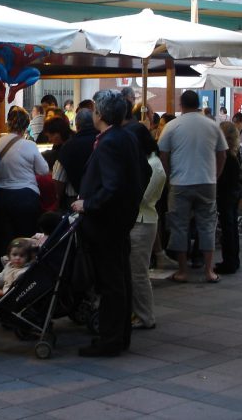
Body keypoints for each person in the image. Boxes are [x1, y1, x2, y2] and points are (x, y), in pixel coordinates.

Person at [71, 90, 144, 357]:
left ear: (99, 114)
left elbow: (112, 186)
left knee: (111, 282)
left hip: (106, 223)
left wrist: (87, 204)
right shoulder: (126, 136)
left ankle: (110, 339)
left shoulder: (110, 141)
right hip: (120, 221)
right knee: (120, 278)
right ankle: (119, 335)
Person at [160, 90, 227, 284]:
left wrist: (169, 176)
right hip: (207, 182)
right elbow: (222, 153)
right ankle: (209, 271)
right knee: (207, 226)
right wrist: (215, 175)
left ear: (181, 105)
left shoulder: (172, 126)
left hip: (179, 182)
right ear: (198, 104)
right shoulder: (212, 125)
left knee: (179, 226)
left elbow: (163, 154)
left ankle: (182, 271)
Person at [0, 108, 47, 273]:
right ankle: (26, 274)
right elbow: (43, 170)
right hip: (26, 197)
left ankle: (3, 275)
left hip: (0, 197)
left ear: (8, 123)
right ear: (27, 125)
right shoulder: (30, 145)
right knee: (26, 238)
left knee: (3, 240)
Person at [129, 127, 166, 330]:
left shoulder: (153, 165)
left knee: (138, 273)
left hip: (142, 221)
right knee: (136, 272)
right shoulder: (148, 161)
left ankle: (145, 316)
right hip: (141, 220)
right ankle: (139, 313)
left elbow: (142, 197)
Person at [51, 109, 99, 209]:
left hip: (75, 200)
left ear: (77, 126)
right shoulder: (102, 140)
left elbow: (58, 180)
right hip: (101, 197)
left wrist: (57, 201)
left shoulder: (69, 146)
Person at [216, 122, 242, 275]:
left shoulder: (225, 155)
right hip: (234, 192)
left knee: (227, 228)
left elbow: (222, 177)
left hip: (226, 193)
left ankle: (229, 262)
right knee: (232, 227)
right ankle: (233, 260)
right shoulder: (235, 153)